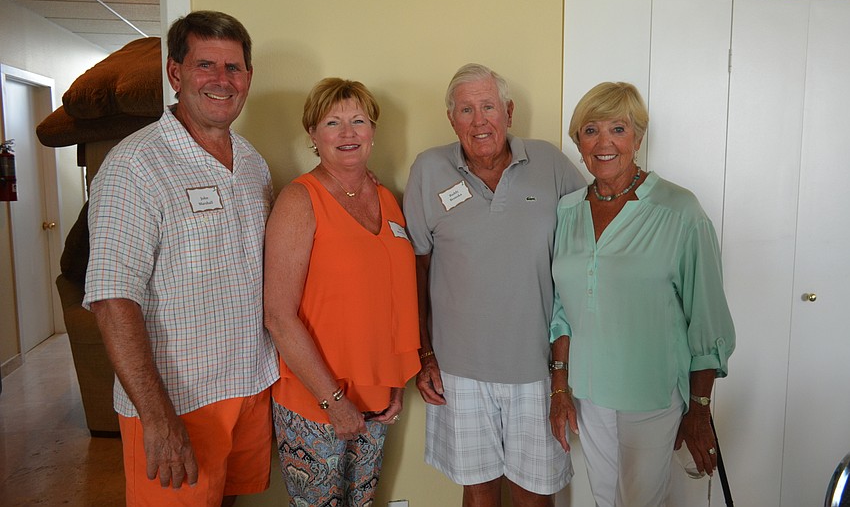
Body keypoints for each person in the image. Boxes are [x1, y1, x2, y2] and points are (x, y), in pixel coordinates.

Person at [84, 11, 278, 507]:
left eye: (233, 68)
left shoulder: (253, 162)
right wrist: (157, 416)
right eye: (205, 65)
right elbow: (111, 299)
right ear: (175, 73)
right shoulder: (135, 165)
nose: (221, 80)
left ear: (249, 78)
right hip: (177, 401)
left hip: (250, 383)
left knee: (231, 499)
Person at [404, 63, 585, 506]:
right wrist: (424, 355)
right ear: (451, 119)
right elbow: (415, 268)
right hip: (458, 370)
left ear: (509, 111)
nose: (479, 120)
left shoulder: (551, 164)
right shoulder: (429, 169)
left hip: (536, 368)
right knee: (479, 492)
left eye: (488, 107)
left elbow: (585, 254)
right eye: (466, 109)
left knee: (534, 494)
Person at [549, 81, 736, 507]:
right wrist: (560, 387)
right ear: (578, 141)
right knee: (603, 498)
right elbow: (562, 307)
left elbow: (707, 318)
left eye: (618, 128)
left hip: (651, 392)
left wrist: (700, 408)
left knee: (639, 502)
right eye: (590, 130)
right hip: (589, 390)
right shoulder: (568, 210)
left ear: (638, 137)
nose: (604, 142)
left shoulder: (679, 210)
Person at [264, 78, 420, 505]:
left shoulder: (387, 198)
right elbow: (278, 315)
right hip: (316, 399)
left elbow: (391, 299)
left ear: (373, 132)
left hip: (376, 398)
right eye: (333, 123)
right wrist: (334, 402)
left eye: (359, 121)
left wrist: (394, 380)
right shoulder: (300, 200)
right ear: (313, 135)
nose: (348, 133)